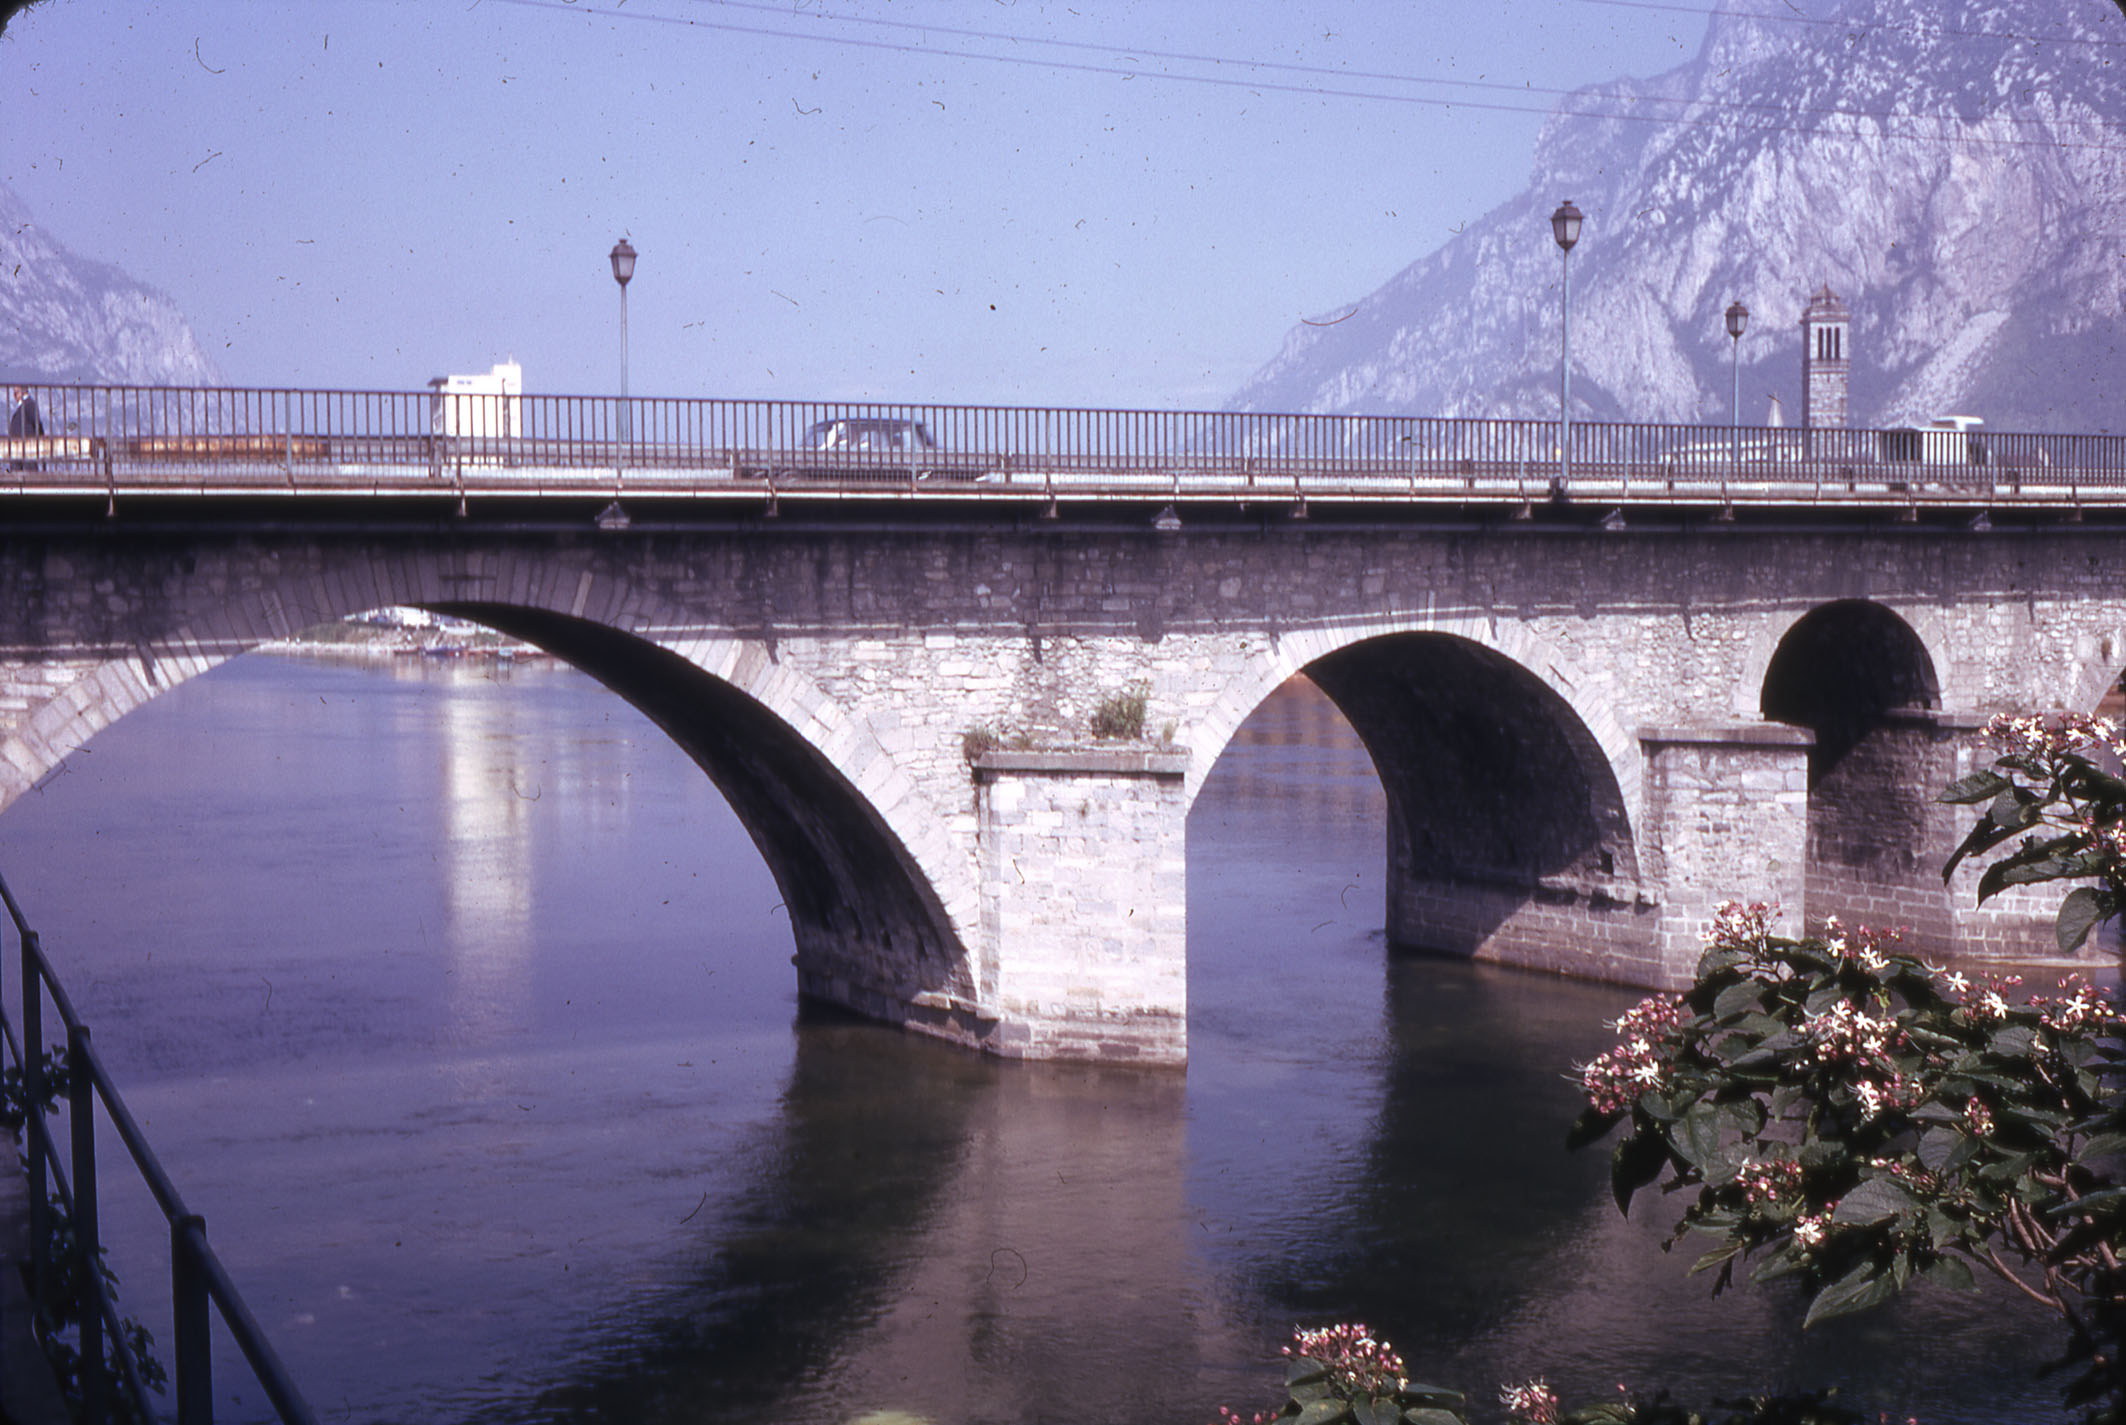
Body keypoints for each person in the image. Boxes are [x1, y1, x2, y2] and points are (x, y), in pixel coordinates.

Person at [7, 384, 41, 471]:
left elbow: (36, 423)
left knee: (30, 472)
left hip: (27, 445)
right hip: (19, 446)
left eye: (16, 393)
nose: (14, 396)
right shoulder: (24, 406)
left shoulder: (30, 404)